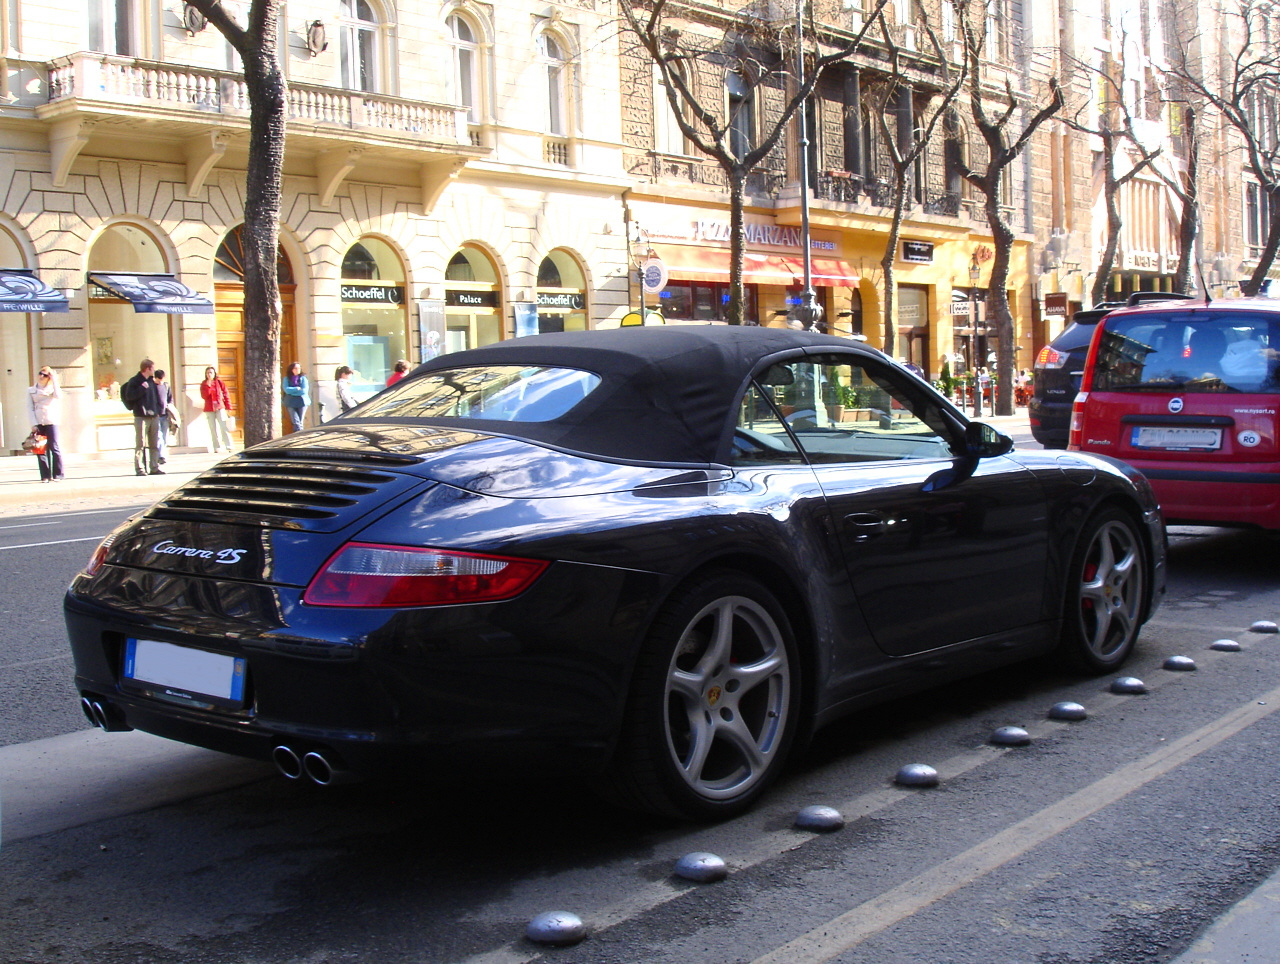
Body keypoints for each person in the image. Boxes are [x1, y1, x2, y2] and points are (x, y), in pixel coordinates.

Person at [121, 358, 163, 475]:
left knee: (154, 444)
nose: (154, 371)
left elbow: (156, 397)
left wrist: (158, 410)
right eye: (152, 368)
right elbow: (129, 396)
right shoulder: (135, 381)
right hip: (141, 416)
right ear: (147, 369)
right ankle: (139, 468)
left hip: (153, 416)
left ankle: (154, 467)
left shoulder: (151, 381)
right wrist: (141, 388)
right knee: (141, 444)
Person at [25, 366, 63, 482]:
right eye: (40, 373)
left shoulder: (53, 388)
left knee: (54, 447)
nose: (41, 376)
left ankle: (58, 474)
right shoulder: (31, 390)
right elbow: (29, 407)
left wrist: (55, 380)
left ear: (49, 377)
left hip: (51, 420)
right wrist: (33, 423)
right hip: (39, 421)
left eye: (45, 375)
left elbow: (59, 396)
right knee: (40, 448)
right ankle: (45, 475)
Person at [201, 366, 234, 452]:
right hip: (209, 409)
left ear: (214, 373)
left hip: (220, 407)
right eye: (207, 373)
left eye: (211, 372)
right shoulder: (204, 384)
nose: (209, 374)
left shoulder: (219, 382)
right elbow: (204, 396)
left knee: (223, 426)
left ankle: (229, 445)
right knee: (213, 428)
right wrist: (208, 386)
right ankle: (217, 447)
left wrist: (228, 406)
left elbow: (226, 394)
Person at [153, 369, 180, 465]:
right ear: (155, 378)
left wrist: (170, 408)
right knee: (159, 436)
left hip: (165, 415)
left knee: (164, 437)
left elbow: (170, 399)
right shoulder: (152, 387)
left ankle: (162, 455)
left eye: (162, 380)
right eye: (158, 380)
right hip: (155, 416)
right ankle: (161, 456)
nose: (160, 382)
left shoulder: (166, 386)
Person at [282, 362, 309, 432]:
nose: (298, 370)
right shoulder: (286, 379)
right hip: (290, 402)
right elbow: (286, 390)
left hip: (302, 401)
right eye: (295, 368)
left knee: (300, 421)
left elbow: (304, 391)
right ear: (291, 369)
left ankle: (299, 436)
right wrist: (297, 389)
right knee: (296, 421)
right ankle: (299, 435)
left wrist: (292, 392)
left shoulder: (303, 378)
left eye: (299, 368)